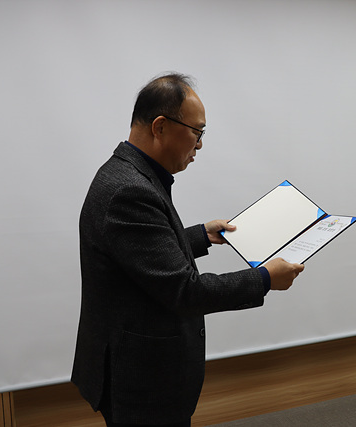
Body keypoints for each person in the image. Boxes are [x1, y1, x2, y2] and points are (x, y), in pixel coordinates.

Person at [71, 73, 305, 427]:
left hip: (134, 366)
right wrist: (264, 279)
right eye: (197, 132)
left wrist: (200, 236)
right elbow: (184, 291)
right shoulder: (129, 191)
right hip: (138, 379)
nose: (200, 144)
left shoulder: (128, 173)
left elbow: (141, 251)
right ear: (160, 127)